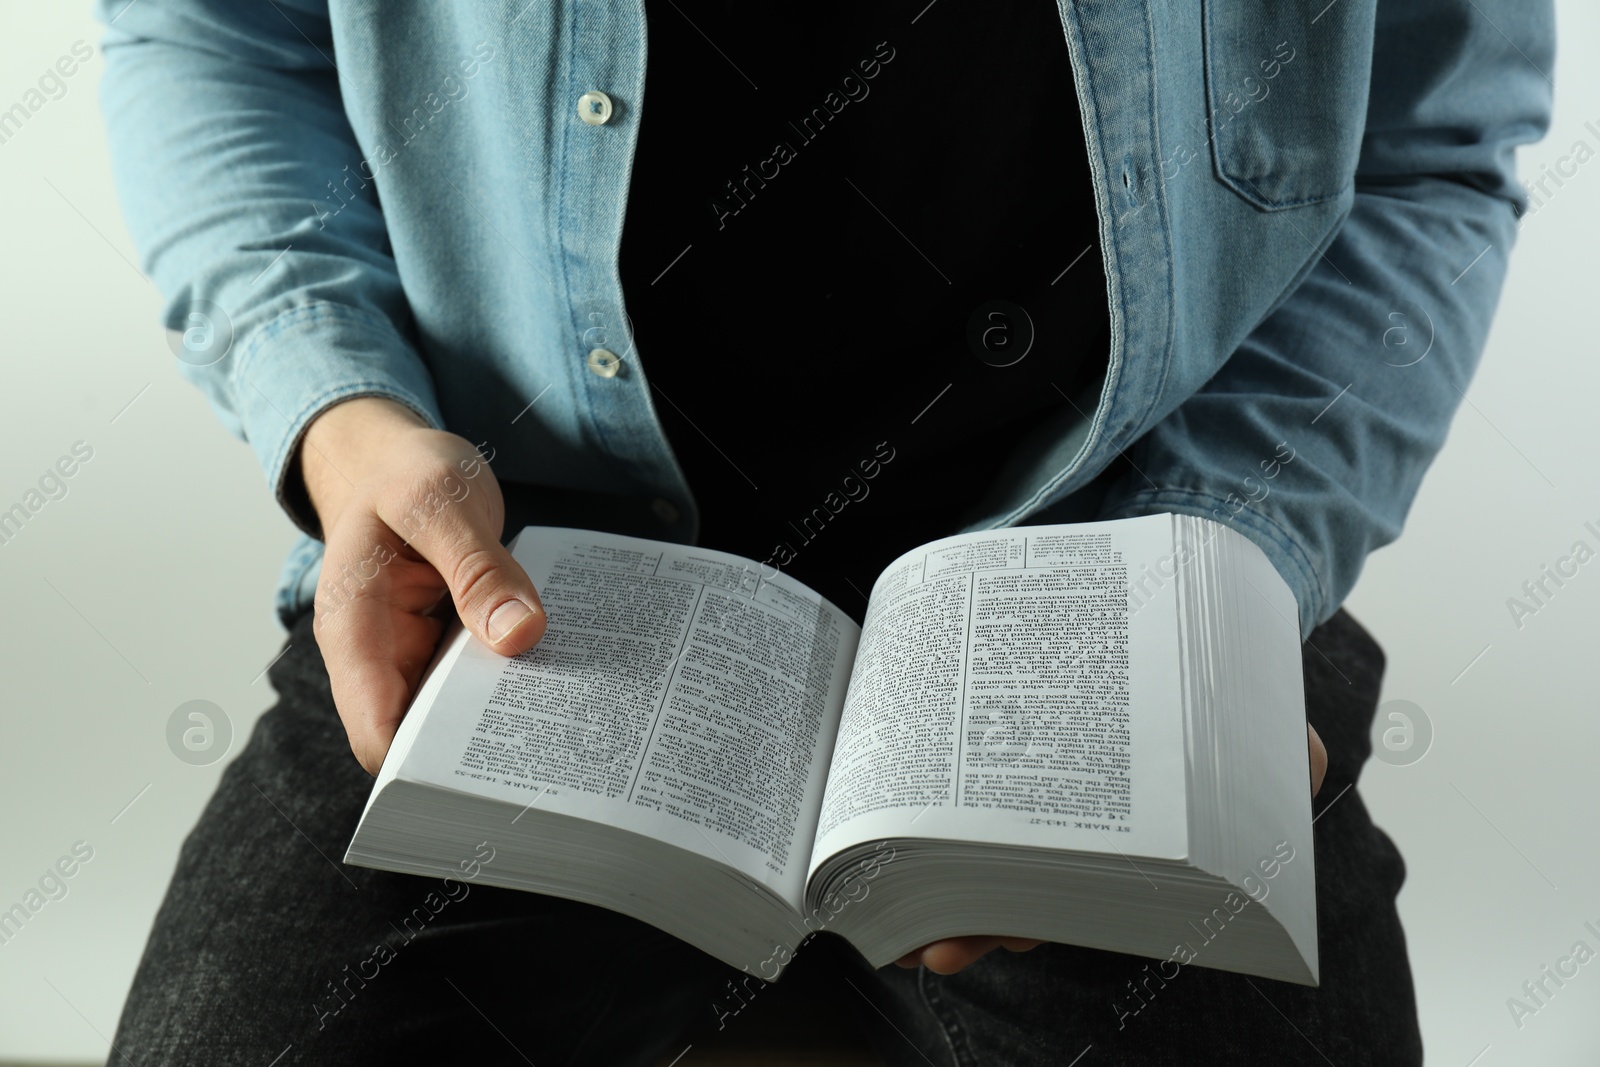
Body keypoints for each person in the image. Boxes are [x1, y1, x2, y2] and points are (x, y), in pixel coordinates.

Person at [94, 0, 1552, 1063]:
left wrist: (1227, 556)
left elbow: (1433, 152)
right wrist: (341, 421)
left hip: (1127, 551)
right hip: (514, 569)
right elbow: (209, 31)